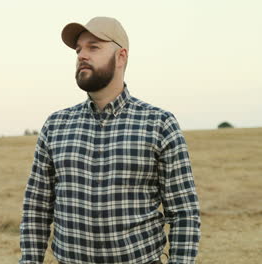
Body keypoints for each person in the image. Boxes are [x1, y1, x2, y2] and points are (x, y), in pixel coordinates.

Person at [19, 17, 201, 264]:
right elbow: (36, 208)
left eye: (93, 47)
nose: (82, 55)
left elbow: (184, 213)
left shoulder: (159, 124)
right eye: (78, 50)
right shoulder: (56, 125)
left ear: (121, 57)